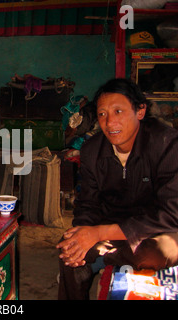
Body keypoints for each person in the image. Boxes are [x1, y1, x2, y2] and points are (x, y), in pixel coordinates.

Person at [57, 78, 178, 300]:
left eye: (119, 111)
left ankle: (114, 261)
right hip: (113, 228)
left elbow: (171, 214)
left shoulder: (166, 144)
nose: (110, 122)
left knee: (155, 252)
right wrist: (82, 235)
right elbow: (87, 204)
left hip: (158, 231)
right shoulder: (92, 150)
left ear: (140, 111)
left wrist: (101, 233)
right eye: (102, 114)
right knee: (69, 252)